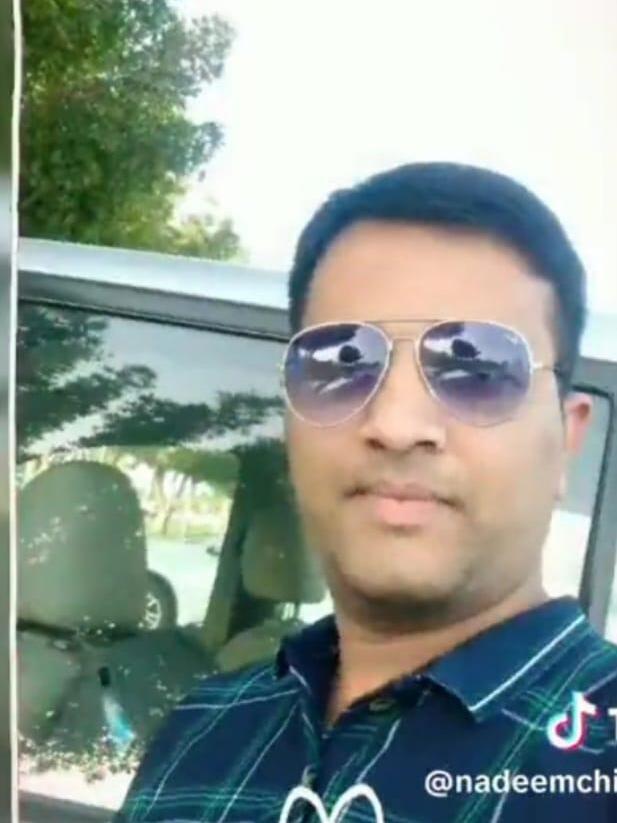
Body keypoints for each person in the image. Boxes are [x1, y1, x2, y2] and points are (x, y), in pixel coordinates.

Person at [116, 163, 617, 822]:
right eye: (339, 363)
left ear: (567, 438)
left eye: (476, 367)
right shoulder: (200, 732)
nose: (396, 425)